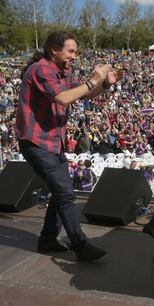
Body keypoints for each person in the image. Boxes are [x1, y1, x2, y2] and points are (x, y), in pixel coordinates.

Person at [16, 31, 123, 261]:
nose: (74, 56)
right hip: (36, 141)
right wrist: (94, 78)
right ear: (54, 49)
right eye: (70, 51)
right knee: (64, 192)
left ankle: (47, 240)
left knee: (60, 192)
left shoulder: (62, 72)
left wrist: (104, 84)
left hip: (53, 142)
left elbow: (82, 94)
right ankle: (80, 244)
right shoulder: (41, 69)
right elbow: (64, 98)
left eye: (75, 51)